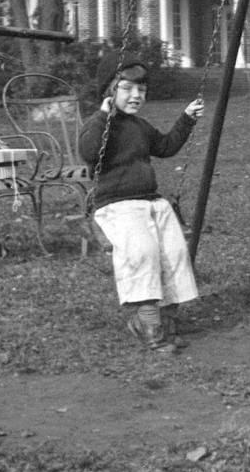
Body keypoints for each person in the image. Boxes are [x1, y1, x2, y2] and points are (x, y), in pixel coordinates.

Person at [78, 49, 203, 353]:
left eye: (142, 90)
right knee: (143, 253)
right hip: (118, 205)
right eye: (128, 89)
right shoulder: (99, 124)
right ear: (111, 90)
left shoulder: (140, 126)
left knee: (174, 254)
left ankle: (167, 321)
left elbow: (166, 146)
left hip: (150, 202)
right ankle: (147, 324)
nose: (136, 96)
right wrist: (103, 115)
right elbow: (89, 151)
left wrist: (185, 120)